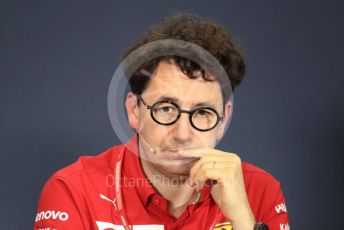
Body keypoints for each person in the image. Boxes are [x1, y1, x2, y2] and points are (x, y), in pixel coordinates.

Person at [34, 13, 289, 230]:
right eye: (166, 108)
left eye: (202, 112)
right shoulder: (74, 190)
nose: (183, 134)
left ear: (224, 120)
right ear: (134, 111)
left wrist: (245, 223)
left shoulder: (259, 191)